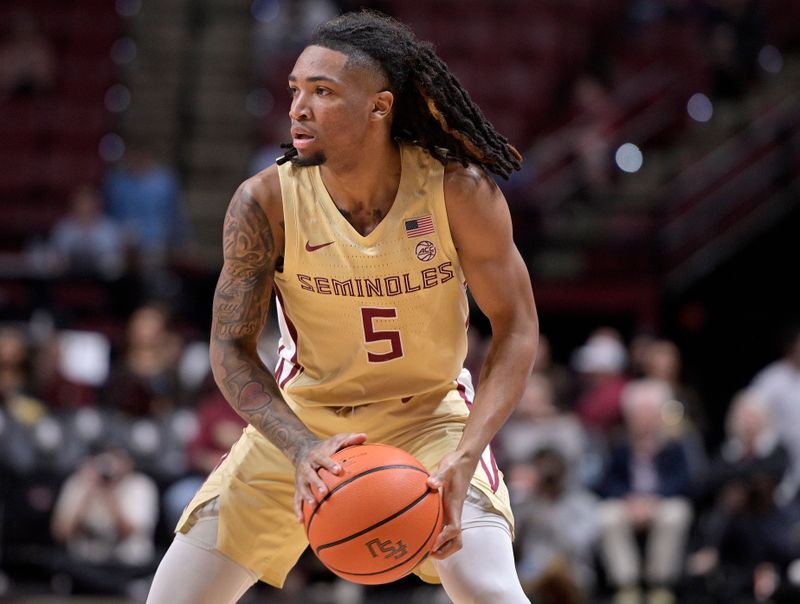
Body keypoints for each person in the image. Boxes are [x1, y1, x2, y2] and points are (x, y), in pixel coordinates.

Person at [147, 10, 537, 604]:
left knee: (489, 589)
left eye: (322, 93)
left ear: (379, 107)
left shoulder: (459, 192)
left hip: (429, 417)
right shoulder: (265, 201)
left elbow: (516, 328)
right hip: (305, 422)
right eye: (294, 91)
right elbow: (229, 346)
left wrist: (467, 453)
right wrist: (300, 446)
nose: (298, 108)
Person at [595, 378, 694, 604]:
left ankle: (660, 584)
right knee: (606, 516)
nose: (644, 419)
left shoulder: (674, 444)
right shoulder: (620, 445)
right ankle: (626, 585)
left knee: (676, 514)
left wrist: (654, 500)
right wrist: (628, 499)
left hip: (661, 502)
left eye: (649, 412)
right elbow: (606, 482)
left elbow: (685, 482)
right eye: (639, 413)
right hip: (629, 503)